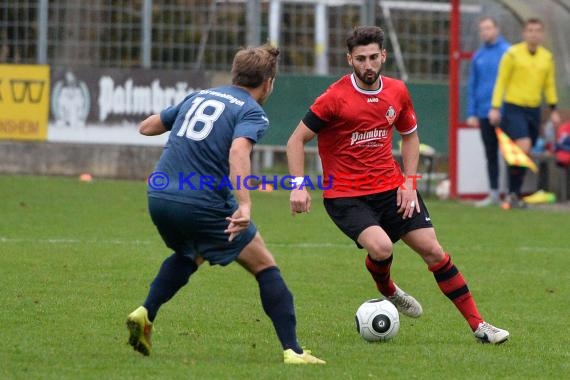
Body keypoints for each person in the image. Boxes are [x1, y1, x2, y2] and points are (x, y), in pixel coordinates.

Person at [287, 26, 509, 344]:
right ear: (350, 59)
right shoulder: (334, 98)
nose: (368, 65)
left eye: (373, 57)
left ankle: (480, 325)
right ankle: (387, 288)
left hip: (392, 189)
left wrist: (409, 182)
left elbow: (410, 136)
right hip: (346, 195)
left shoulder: (397, 91)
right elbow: (296, 140)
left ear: (383, 56)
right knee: (382, 247)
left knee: (434, 251)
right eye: (360, 58)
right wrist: (298, 185)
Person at [126, 44, 325, 365]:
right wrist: (244, 206)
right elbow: (238, 153)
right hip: (201, 201)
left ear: (235, 73)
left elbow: (147, 126)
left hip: (159, 195)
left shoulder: (198, 97)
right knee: (265, 266)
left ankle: (145, 312)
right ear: (269, 82)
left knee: (192, 253)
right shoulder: (251, 111)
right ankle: (294, 351)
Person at [489, 18, 561, 208]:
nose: (534, 34)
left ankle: (514, 194)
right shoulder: (512, 54)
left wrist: (553, 109)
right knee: (524, 145)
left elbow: (549, 85)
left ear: (542, 34)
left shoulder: (547, 57)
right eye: (530, 30)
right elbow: (501, 82)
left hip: (534, 110)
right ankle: (513, 192)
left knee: (523, 152)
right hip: (514, 107)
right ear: (524, 33)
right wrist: (495, 107)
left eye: (537, 30)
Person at [466, 17, 510, 207]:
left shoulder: (508, 52)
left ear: (497, 29)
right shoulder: (479, 55)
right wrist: (472, 112)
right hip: (484, 112)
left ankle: (510, 193)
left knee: (510, 154)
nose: (485, 32)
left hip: (506, 112)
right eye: (482, 29)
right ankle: (493, 193)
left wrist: (501, 108)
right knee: (490, 154)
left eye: (488, 28)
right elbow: (473, 85)